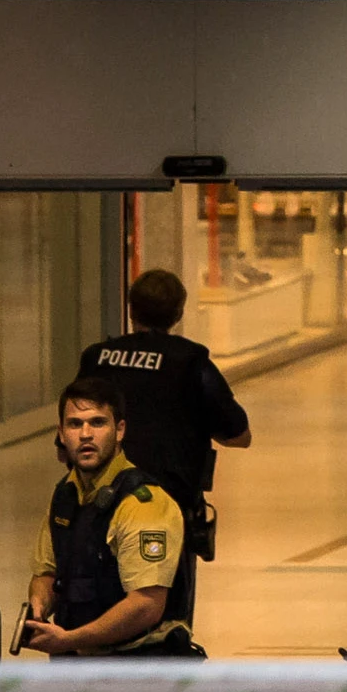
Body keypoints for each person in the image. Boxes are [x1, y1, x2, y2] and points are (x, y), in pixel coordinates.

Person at [73, 269, 251, 637]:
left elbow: (70, 437)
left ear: (130, 308)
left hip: (96, 508)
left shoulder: (97, 359)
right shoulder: (190, 363)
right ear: (179, 313)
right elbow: (239, 434)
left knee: (91, 605)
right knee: (166, 618)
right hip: (167, 506)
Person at [18, 377, 199, 659]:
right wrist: (39, 606)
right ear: (62, 434)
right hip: (76, 660)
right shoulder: (65, 496)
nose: (86, 434)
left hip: (138, 667)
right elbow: (47, 573)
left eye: (98, 423)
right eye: (75, 424)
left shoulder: (143, 504)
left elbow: (146, 605)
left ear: (119, 430)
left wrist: (69, 640)